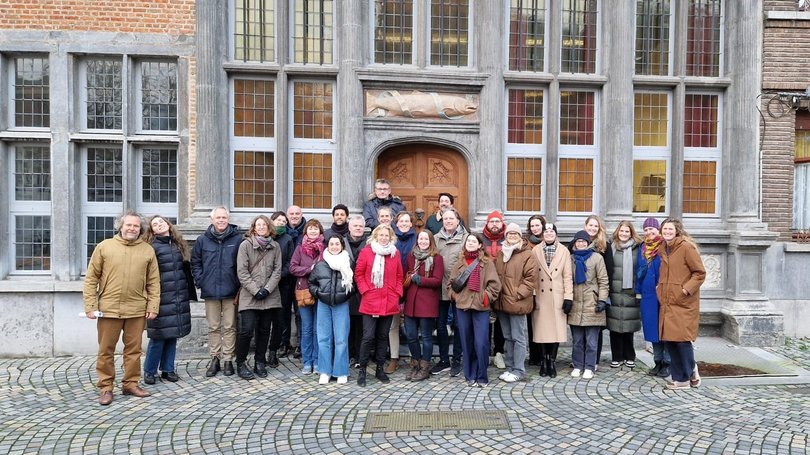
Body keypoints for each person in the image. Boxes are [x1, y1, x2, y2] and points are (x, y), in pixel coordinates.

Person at [84, 211, 160, 405]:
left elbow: (153, 281)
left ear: (140, 229)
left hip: (136, 309)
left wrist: (153, 305)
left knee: (133, 350)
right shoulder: (104, 247)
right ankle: (106, 387)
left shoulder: (147, 250)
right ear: (120, 226)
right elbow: (91, 278)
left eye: (136, 226)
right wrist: (90, 305)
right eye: (129, 225)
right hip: (108, 308)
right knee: (106, 350)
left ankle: (130, 383)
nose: (132, 229)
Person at [142, 215, 194, 385]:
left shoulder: (178, 244)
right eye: (155, 224)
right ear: (152, 230)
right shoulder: (151, 247)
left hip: (178, 297)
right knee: (157, 337)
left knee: (173, 335)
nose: (159, 225)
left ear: (168, 224)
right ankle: (150, 371)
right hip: (160, 298)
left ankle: (168, 369)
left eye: (161, 222)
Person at [191, 207, 242, 377]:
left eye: (224, 217)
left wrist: (238, 283)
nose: (221, 220)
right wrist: (201, 280)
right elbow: (195, 262)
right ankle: (215, 358)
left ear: (228, 219)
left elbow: (242, 263)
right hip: (210, 290)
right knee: (213, 327)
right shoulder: (202, 240)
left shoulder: (238, 238)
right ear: (212, 219)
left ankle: (228, 359)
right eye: (218, 217)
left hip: (231, 290)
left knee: (229, 326)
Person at [658, 218, 706, 390]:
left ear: (677, 230)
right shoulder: (663, 248)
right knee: (670, 340)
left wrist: (685, 290)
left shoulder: (686, 247)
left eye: (670, 229)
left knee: (682, 341)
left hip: (683, 302)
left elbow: (699, 273)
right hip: (667, 301)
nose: (667, 232)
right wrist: (660, 289)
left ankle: (684, 378)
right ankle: (687, 373)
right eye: (665, 229)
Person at [449, 233, 501, 387]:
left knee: (481, 343)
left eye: (474, 241)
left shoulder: (487, 263)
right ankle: (470, 374)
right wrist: (456, 297)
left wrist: (485, 297)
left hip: (480, 308)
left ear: (480, 245)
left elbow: (495, 286)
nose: (470, 243)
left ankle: (482, 375)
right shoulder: (459, 263)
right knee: (467, 342)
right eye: (468, 241)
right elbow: (450, 285)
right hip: (463, 307)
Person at [354, 224, 404, 386]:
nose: (383, 238)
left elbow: (399, 276)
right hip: (371, 299)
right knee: (368, 336)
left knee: (383, 337)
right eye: (381, 235)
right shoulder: (367, 252)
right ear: (375, 236)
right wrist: (365, 291)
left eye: (386, 236)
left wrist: (397, 293)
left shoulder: (394, 254)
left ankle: (380, 369)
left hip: (389, 300)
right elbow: (359, 274)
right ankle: (362, 369)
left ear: (391, 238)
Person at [234, 215, 283, 380]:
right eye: (258, 225)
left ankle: (259, 361)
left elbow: (277, 270)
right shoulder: (245, 246)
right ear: (254, 228)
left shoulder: (275, 247)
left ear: (269, 228)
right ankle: (240, 362)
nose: (261, 227)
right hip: (250, 295)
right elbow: (242, 271)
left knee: (264, 330)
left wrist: (267, 289)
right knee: (246, 330)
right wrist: (256, 290)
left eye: (264, 225)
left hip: (270, 296)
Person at [309, 234, 356, 385]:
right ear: (327, 246)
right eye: (332, 244)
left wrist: (347, 294)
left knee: (341, 338)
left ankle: (341, 371)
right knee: (323, 338)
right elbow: (311, 283)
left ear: (342, 246)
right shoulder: (320, 264)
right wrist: (318, 293)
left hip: (341, 304)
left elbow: (355, 283)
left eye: (337, 244)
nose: (334, 246)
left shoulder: (348, 263)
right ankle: (325, 370)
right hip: (323, 304)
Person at [494, 223, 538, 383]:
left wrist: (517, 294)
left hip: (517, 302)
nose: (512, 236)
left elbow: (531, 279)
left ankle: (519, 370)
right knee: (507, 336)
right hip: (502, 302)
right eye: (509, 234)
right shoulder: (501, 253)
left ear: (520, 236)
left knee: (518, 337)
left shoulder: (527, 254)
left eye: (515, 234)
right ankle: (510, 367)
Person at [571, 214, 614, 369]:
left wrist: (602, 298)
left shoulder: (602, 248)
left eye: (596, 226)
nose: (593, 228)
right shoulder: (573, 253)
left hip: (593, 297)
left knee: (593, 336)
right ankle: (578, 363)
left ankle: (592, 363)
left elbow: (606, 275)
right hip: (577, 300)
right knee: (577, 338)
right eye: (590, 225)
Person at [531, 223, 573, 378]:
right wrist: (533, 294)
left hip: (557, 296)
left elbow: (567, 276)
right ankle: (544, 361)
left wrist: (568, 297)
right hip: (541, 296)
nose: (549, 233)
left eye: (551, 231)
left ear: (556, 233)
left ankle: (552, 361)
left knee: (555, 331)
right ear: (542, 234)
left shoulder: (564, 251)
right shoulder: (535, 250)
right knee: (542, 331)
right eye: (546, 231)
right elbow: (533, 275)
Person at [403, 230, 445, 381]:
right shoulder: (410, 256)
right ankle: (416, 363)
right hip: (411, 303)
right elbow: (405, 275)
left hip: (427, 303)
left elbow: (437, 280)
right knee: (411, 336)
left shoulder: (437, 258)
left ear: (431, 241)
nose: (423, 241)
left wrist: (419, 279)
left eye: (426, 239)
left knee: (426, 337)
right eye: (421, 239)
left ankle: (424, 367)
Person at [431, 207, 467, 377]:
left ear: (458, 220)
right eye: (445, 219)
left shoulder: (466, 238)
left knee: (459, 325)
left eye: (451, 218)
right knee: (440, 325)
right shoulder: (436, 239)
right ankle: (444, 359)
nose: (448, 221)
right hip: (440, 289)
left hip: (460, 289)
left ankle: (457, 360)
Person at [636, 217, 672, 378]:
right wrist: (638, 291)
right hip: (648, 294)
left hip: (664, 294)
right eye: (646, 229)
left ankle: (667, 363)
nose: (649, 232)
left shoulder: (665, 246)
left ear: (658, 230)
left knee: (665, 329)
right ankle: (657, 361)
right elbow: (639, 271)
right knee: (653, 330)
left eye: (652, 229)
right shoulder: (643, 248)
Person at [290, 219, 325, 375]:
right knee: (306, 329)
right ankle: (307, 361)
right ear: (306, 231)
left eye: (315, 229)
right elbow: (293, 268)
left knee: (319, 329)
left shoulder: (325, 248)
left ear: (320, 232)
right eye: (310, 229)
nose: (313, 231)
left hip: (321, 291)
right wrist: (310, 269)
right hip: (304, 290)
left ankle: (317, 361)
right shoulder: (300, 249)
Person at [607, 220, 642, 369]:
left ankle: (629, 356)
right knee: (614, 327)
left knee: (628, 327)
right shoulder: (610, 246)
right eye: (621, 231)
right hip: (614, 291)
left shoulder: (637, 248)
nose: (623, 234)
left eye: (627, 231)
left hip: (630, 292)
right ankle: (616, 356)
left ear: (631, 233)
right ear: (617, 231)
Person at [385, 211, 417, 374]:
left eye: (407, 221)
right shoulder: (391, 239)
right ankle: (394, 357)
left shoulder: (418, 239)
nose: (404, 224)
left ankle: (414, 356)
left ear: (411, 224)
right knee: (393, 325)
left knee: (412, 324)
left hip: (412, 286)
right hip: (393, 286)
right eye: (401, 221)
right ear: (396, 224)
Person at [481, 210, 506, 369]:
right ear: (487, 224)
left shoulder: (507, 238)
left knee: (500, 323)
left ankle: (498, 353)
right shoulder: (480, 239)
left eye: (497, 221)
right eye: (492, 222)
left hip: (503, 286)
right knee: (484, 321)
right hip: (484, 286)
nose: (495, 224)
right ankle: (485, 352)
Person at [269, 211, 294, 366]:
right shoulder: (266, 238)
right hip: (264, 285)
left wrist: (278, 276)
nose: (281, 223)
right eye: (278, 220)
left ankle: (281, 344)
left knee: (282, 316)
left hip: (283, 283)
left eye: (284, 221)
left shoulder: (288, 240)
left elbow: (290, 262)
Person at [343, 215, 369, 367]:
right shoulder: (342, 241)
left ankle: (360, 355)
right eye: (355, 226)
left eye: (360, 226)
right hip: (346, 289)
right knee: (347, 324)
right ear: (349, 227)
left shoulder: (369, 243)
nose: (358, 228)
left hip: (363, 289)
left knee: (361, 324)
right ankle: (349, 354)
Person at [524, 214, 546, 366]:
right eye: (532, 226)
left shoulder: (549, 241)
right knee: (531, 322)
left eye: (537, 225)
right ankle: (534, 355)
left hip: (546, 288)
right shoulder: (526, 244)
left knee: (544, 322)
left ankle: (544, 354)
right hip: (531, 288)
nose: (535, 228)